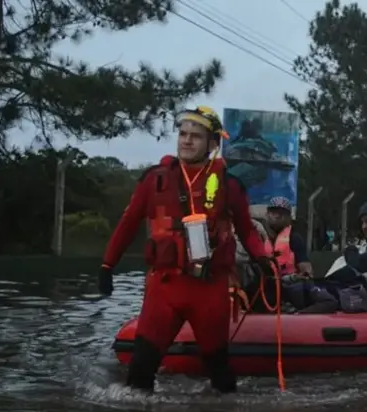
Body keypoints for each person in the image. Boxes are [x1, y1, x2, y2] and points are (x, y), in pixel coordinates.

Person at [97, 105, 272, 394]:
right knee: (140, 372)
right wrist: (107, 266)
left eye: (196, 136)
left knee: (221, 376)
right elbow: (127, 224)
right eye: (182, 134)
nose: (187, 140)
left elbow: (247, 231)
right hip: (165, 287)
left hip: (210, 289)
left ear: (213, 143)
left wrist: (263, 259)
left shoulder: (230, 185)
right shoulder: (154, 180)